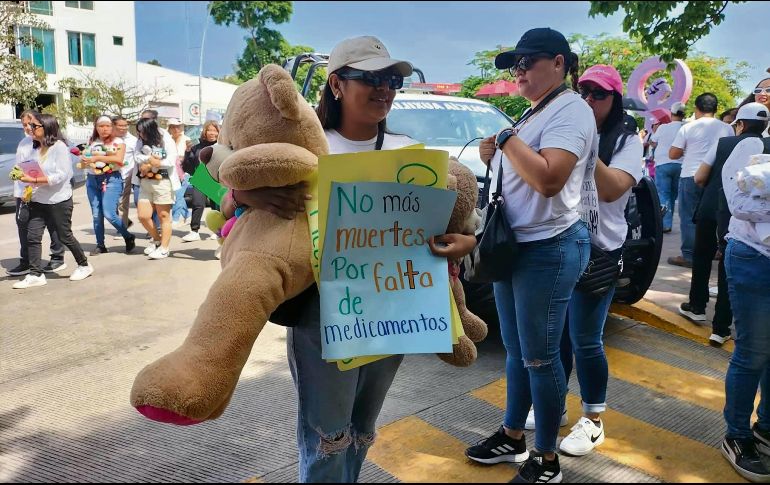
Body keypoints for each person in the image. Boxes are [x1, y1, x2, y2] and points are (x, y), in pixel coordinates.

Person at [226, 36, 476, 483]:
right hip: (323, 312)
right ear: (337, 85)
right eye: (372, 78)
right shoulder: (304, 143)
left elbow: (463, 228)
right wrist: (245, 193)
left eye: (393, 80)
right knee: (326, 434)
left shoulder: (411, 153)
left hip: (395, 309)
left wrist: (463, 243)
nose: (385, 88)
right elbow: (207, 178)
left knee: (362, 429)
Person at [462, 28, 595, 484]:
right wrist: (494, 155)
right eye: (514, 65)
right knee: (518, 353)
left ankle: (547, 460)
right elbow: (522, 175)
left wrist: (504, 140)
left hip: (550, 248)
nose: (518, 71)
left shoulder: (571, 110)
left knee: (540, 357)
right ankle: (513, 436)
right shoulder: (536, 111)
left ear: (559, 63)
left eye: (527, 62)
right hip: (516, 246)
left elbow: (549, 179)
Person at [547, 64, 642, 457]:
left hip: (601, 249)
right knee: (557, 338)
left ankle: (594, 419)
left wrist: (584, 145)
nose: (588, 99)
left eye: (598, 94)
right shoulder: (563, 125)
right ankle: (554, 405)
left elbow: (613, 188)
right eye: (583, 91)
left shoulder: (627, 138)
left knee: (586, 339)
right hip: (559, 243)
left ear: (614, 99)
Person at [681, 103, 769, 345]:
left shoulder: (724, 144)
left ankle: (697, 306)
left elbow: (699, 177)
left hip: (712, 209)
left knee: (702, 258)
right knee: (727, 268)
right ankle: (720, 328)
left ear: (739, 124)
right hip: (745, 221)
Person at [719, 102, 770, 482]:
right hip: (753, 258)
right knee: (752, 351)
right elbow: (738, 205)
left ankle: (765, 426)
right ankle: (737, 434)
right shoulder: (751, 148)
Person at [11, 113, 93, 289]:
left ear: (46, 127)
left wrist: (34, 180)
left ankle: (84, 264)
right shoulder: (33, 147)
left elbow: (62, 175)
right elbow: (30, 169)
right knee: (32, 236)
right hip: (37, 199)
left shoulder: (59, 147)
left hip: (58, 200)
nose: (30, 129)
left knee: (64, 235)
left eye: (34, 126)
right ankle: (35, 274)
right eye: (29, 126)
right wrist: (22, 175)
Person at [668, 93, 734, 268]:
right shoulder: (727, 128)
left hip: (690, 174)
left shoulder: (688, 127)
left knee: (688, 217)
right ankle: (713, 251)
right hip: (715, 178)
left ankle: (689, 255)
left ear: (697, 109)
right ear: (716, 109)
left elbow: (673, 154)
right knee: (713, 217)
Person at [7, 109, 66, 277]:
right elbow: (21, 167)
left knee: (53, 225)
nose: (28, 127)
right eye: (24, 125)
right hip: (24, 193)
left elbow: (56, 172)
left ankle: (57, 257)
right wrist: (18, 188)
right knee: (23, 226)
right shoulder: (24, 143)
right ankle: (26, 261)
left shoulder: (51, 143)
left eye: (30, 123)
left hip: (45, 192)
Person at [82, 115, 135, 254]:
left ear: (112, 127)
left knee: (109, 213)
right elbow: (86, 157)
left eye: (107, 126)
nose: (104, 129)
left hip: (111, 179)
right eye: (101, 126)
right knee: (96, 214)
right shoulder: (92, 141)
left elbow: (119, 159)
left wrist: (97, 157)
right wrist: (84, 159)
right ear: (96, 128)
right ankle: (100, 245)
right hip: (92, 179)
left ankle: (128, 236)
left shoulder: (119, 142)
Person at [134, 117, 180, 259]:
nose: (141, 135)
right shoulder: (140, 140)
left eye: (143, 132)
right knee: (143, 216)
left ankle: (164, 248)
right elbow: (136, 156)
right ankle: (157, 240)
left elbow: (172, 159)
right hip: (145, 181)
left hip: (163, 181)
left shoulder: (165, 138)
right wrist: (149, 162)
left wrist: (157, 163)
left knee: (163, 216)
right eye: (139, 132)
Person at [650, 102, 686, 233]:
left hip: (663, 163)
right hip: (681, 164)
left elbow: (653, 142)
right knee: (673, 194)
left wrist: (654, 131)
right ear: (684, 114)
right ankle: (669, 221)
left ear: (672, 114)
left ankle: (665, 223)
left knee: (663, 193)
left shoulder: (663, 128)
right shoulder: (687, 127)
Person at [180, 120, 219, 242]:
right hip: (201, 178)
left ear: (218, 132)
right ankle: (194, 231)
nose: (212, 133)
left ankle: (218, 231)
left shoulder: (222, 146)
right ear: (205, 132)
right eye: (209, 130)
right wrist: (187, 153)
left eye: (214, 130)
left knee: (216, 207)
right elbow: (188, 167)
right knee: (197, 204)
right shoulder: (196, 147)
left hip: (216, 179)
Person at [113, 116, 138, 232]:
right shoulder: (109, 139)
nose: (124, 128)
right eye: (120, 125)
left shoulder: (133, 140)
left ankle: (123, 227)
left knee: (124, 203)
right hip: (112, 175)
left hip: (127, 176)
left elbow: (136, 158)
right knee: (113, 204)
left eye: (125, 125)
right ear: (114, 126)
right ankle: (124, 222)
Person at [167, 118, 192, 227]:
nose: (176, 129)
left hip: (184, 172)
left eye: (178, 126)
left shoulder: (187, 139)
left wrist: (181, 158)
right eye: (172, 127)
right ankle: (187, 214)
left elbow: (190, 156)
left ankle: (176, 218)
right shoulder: (167, 140)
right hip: (171, 172)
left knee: (178, 195)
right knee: (177, 195)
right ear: (169, 128)